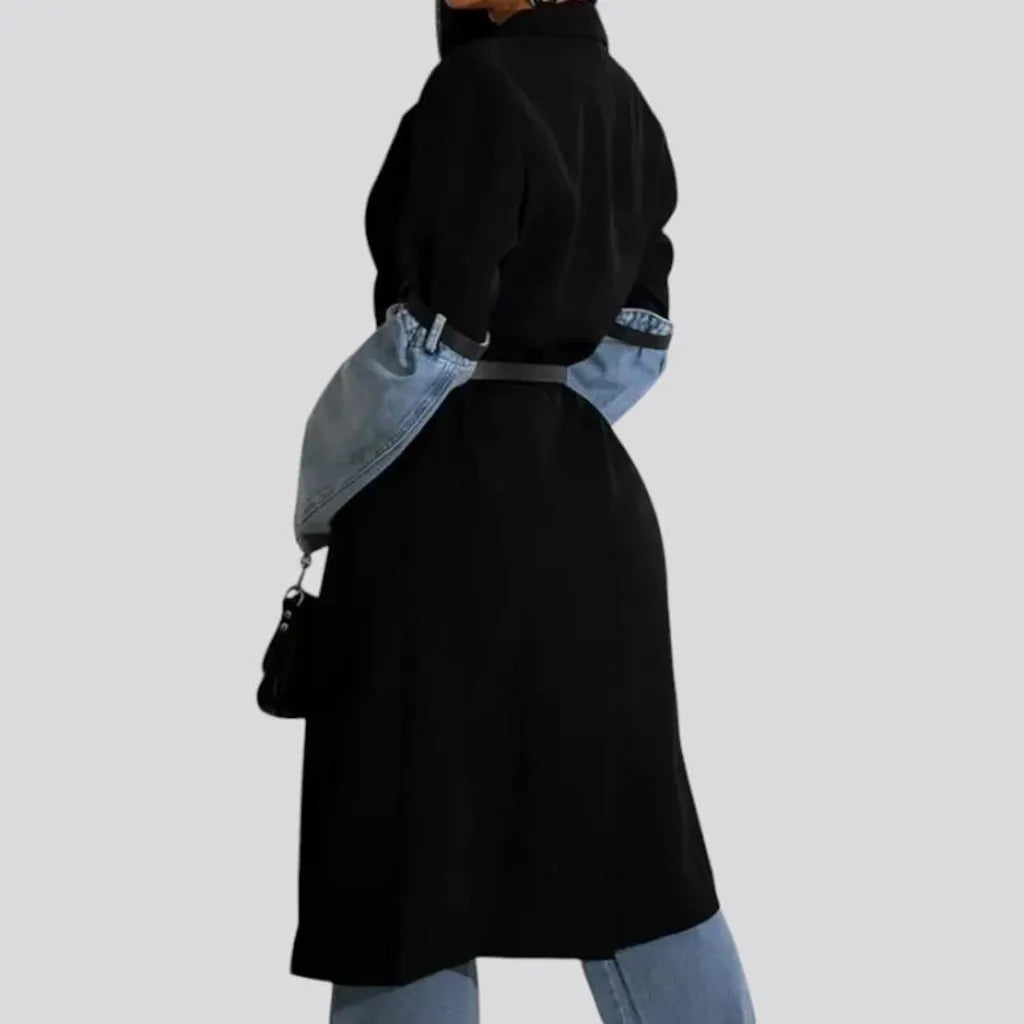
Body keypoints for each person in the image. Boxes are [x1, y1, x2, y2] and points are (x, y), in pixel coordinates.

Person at [291, 2, 756, 1020]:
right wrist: (540, 428)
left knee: (401, 861)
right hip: (592, 514)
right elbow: (639, 337)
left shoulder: (472, 88)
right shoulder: (623, 102)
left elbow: (432, 337)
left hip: (434, 521)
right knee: (637, 851)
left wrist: (321, 491)